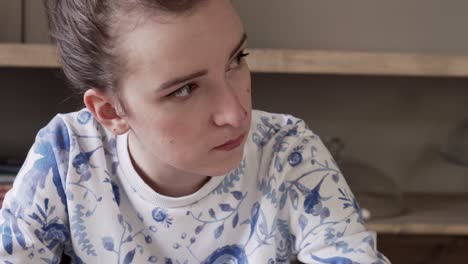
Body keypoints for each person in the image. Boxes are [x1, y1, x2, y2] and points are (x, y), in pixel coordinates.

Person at [0, 0, 390, 263]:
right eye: (184, 89)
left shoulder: (289, 153)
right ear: (110, 111)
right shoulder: (66, 158)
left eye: (237, 60)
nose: (236, 115)